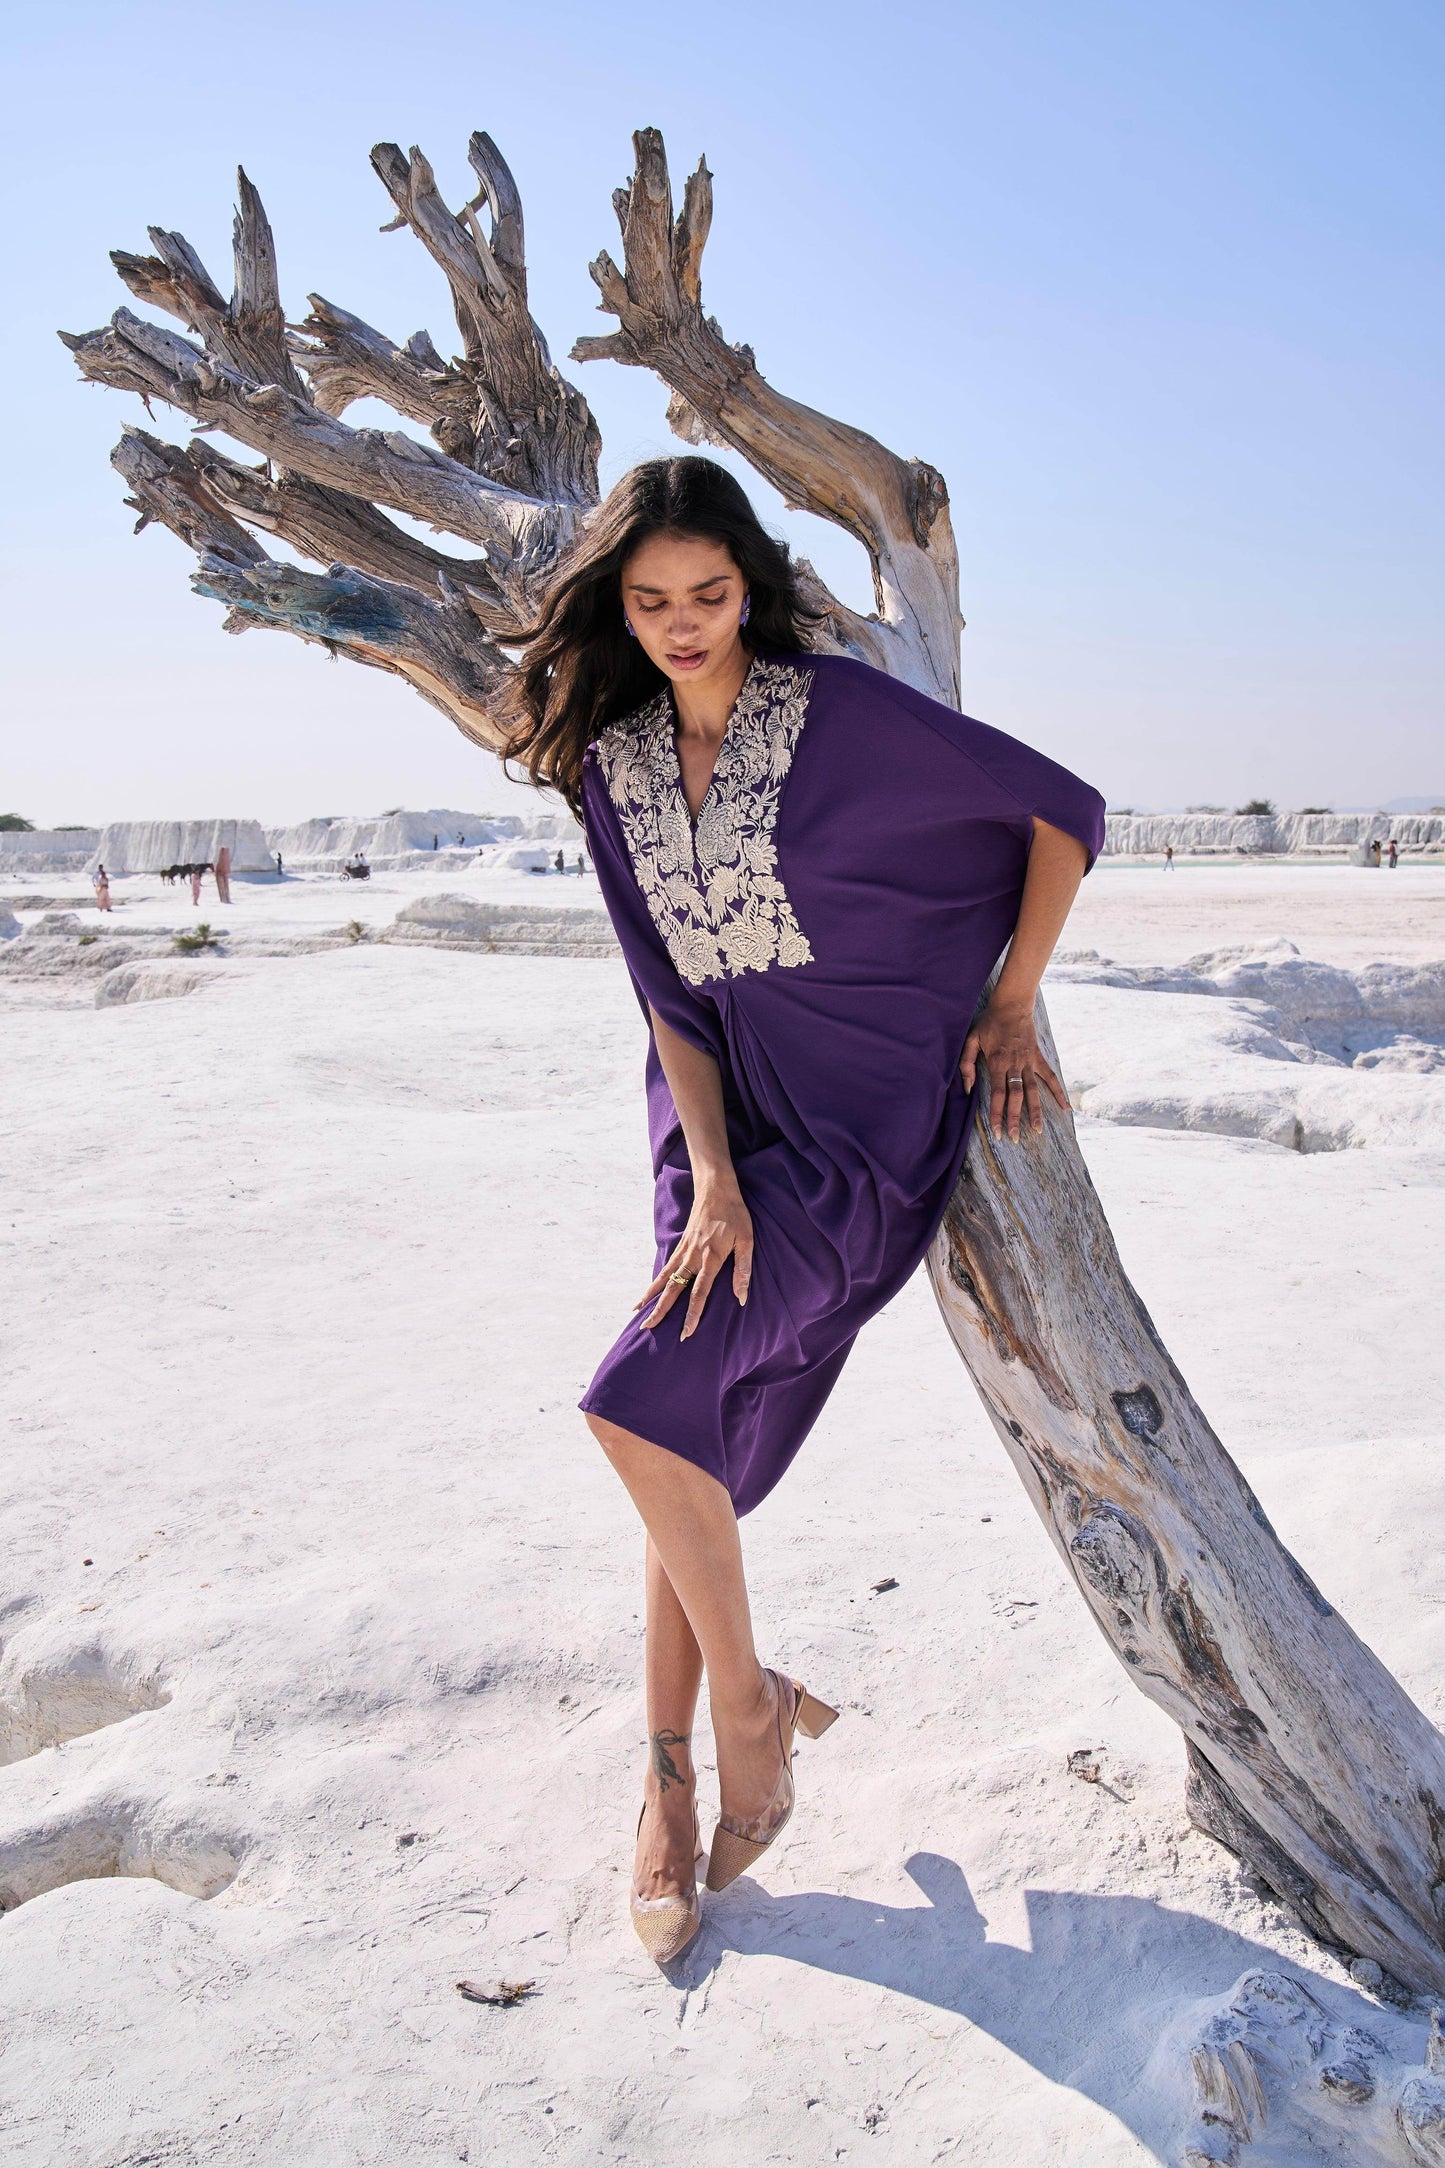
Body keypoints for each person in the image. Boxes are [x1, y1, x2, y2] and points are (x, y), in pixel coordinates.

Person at [504, 456, 1104, 1966]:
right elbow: (666, 997)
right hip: (711, 1132)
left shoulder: (836, 712)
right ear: (616, 607)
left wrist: (1011, 1001)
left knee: (641, 1416)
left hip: (855, 1126)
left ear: (746, 588)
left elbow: (1062, 810)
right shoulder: (613, 767)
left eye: (708, 593)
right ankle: (679, 1778)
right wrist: (708, 1175)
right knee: (668, 1426)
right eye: (651, 600)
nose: (682, 623)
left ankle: (742, 1722)